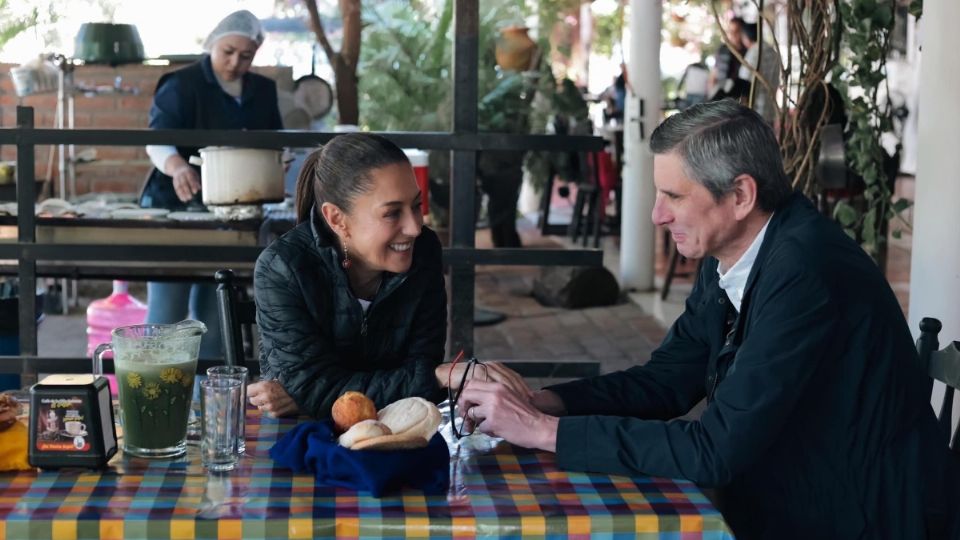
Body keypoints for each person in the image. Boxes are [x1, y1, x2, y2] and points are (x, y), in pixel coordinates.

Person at [456, 100, 959, 539]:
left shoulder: (806, 271)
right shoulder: (731, 254)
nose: (656, 215)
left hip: (855, 515)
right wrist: (546, 402)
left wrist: (543, 431)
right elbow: (667, 381)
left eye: (673, 196)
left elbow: (715, 449)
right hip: (792, 491)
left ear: (740, 195)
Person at [247, 133, 530, 418]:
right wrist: (437, 377)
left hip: (395, 432)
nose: (415, 228)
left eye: (416, 206)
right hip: (302, 442)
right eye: (393, 213)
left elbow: (418, 369)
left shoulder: (424, 252)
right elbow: (313, 388)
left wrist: (313, 394)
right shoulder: (282, 268)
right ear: (336, 218)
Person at [139, 10, 284, 359]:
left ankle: (214, 400)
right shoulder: (183, 84)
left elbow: (274, 143)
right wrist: (177, 168)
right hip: (173, 205)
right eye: (228, 52)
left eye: (245, 56)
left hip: (229, 210)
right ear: (212, 46)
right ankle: (150, 392)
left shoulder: (262, 91)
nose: (235, 62)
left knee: (217, 312)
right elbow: (157, 140)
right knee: (167, 311)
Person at [706, 17, 746, 100]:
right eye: (730, 31)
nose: (733, 35)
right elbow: (714, 73)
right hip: (722, 95)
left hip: (741, 95)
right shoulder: (722, 50)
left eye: (737, 31)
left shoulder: (747, 51)